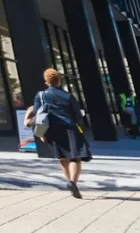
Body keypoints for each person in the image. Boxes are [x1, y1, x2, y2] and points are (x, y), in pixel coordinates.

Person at [24, 68, 92, 198]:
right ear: (59, 81)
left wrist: (42, 133)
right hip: (69, 128)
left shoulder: (40, 96)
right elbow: (78, 116)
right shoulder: (68, 96)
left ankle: (69, 182)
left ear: (46, 81)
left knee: (62, 157)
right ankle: (73, 182)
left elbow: (38, 115)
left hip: (52, 129)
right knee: (75, 157)